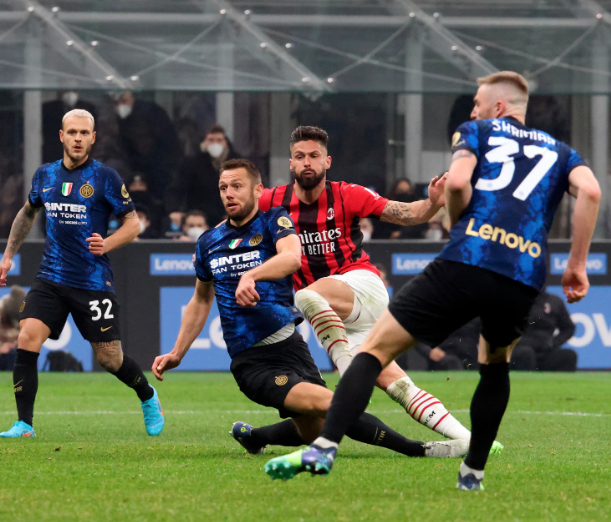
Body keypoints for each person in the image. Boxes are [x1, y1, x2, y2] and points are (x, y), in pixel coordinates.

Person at [265, 71, 601, 491]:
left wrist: (456, 222)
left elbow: (458, 182)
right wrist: (577, 265)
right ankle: (472, 470)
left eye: (477, 102)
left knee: (372, 354)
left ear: (497, 108)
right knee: (493, 366)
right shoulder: (561, 151)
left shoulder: (475, 131)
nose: (472, 109)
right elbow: (590, 192)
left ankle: (326, 445)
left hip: (461, 257)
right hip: (524, 269)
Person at [152, 159, 465, 459]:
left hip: (292, 347)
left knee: (314, 432)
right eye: (223, 188)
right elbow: (201, 300)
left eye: (237, 186)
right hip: (254, 362)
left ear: (258, 191)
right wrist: (178, 351)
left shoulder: (275, 221)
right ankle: (418, 449)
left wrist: (252, 275)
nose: (229, 194)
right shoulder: (209, 242)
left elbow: (291, 258)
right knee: (338, 405)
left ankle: (255, 436)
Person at [250, 126, 477, 449]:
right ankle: (470, 439)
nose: (307, 163)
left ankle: (348, 376)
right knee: (397, 385)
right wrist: (209, 243)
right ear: (291, 164)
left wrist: (432, 203)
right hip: (334, 314)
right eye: (300, 157)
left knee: (305, 295)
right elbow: (237, 221)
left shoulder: (348, 194)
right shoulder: (273, 201)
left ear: (327, 161)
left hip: (361, 286)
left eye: (314, 156)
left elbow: (405, 213)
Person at [0, 109, 163, 438]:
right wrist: (7, 255)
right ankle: (24, 424)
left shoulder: (105, 178)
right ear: (61, 136)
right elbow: (28, 212)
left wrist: (108, 243)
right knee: (27, 337)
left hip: (92, 282)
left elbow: (134, 224)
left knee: (110, 358)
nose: (77, 138)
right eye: (72, 132)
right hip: (51, 277)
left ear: (93, 137)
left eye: (84, 133)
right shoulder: (45, 175)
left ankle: (147, 396)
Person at [166, 124, 239, 228]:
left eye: (219, 140)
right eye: (211, 140)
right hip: (198, 219)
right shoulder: (193, 163)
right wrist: (173, 210)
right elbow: (176, 188)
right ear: (204, 143)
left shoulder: (238, 164)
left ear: (225, 143)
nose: (215, 144)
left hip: (227, 218)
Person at [114, 91, 182, 200]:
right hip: (132, 166)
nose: (120, 106)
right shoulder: (118, 123)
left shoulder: (152, 114)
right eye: (116, 103)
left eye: (124, 101)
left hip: (158, 167)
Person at [511, 292, 577, 372]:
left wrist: (554, 342)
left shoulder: (554, 301)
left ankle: (559, 384)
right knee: (526, 354)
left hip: (545, 350)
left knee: (569, 356)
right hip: (519, 349)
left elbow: (568, 328)